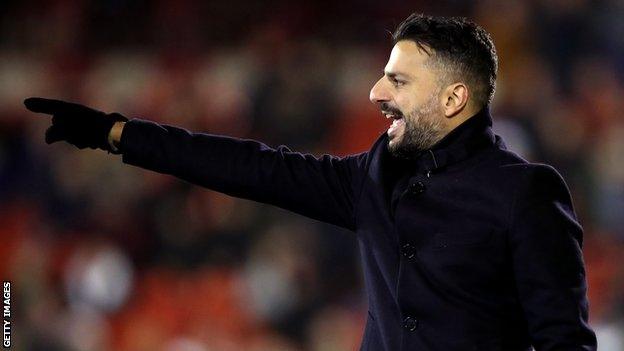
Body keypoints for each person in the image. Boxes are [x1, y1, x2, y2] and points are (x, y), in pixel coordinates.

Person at [24, 13, 596, 351]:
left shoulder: (525, 193)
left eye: (398, 80)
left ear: (453, 98)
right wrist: (119, 133)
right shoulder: (375, 175)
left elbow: (564, 343)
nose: (375, 93)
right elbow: (252, 167)